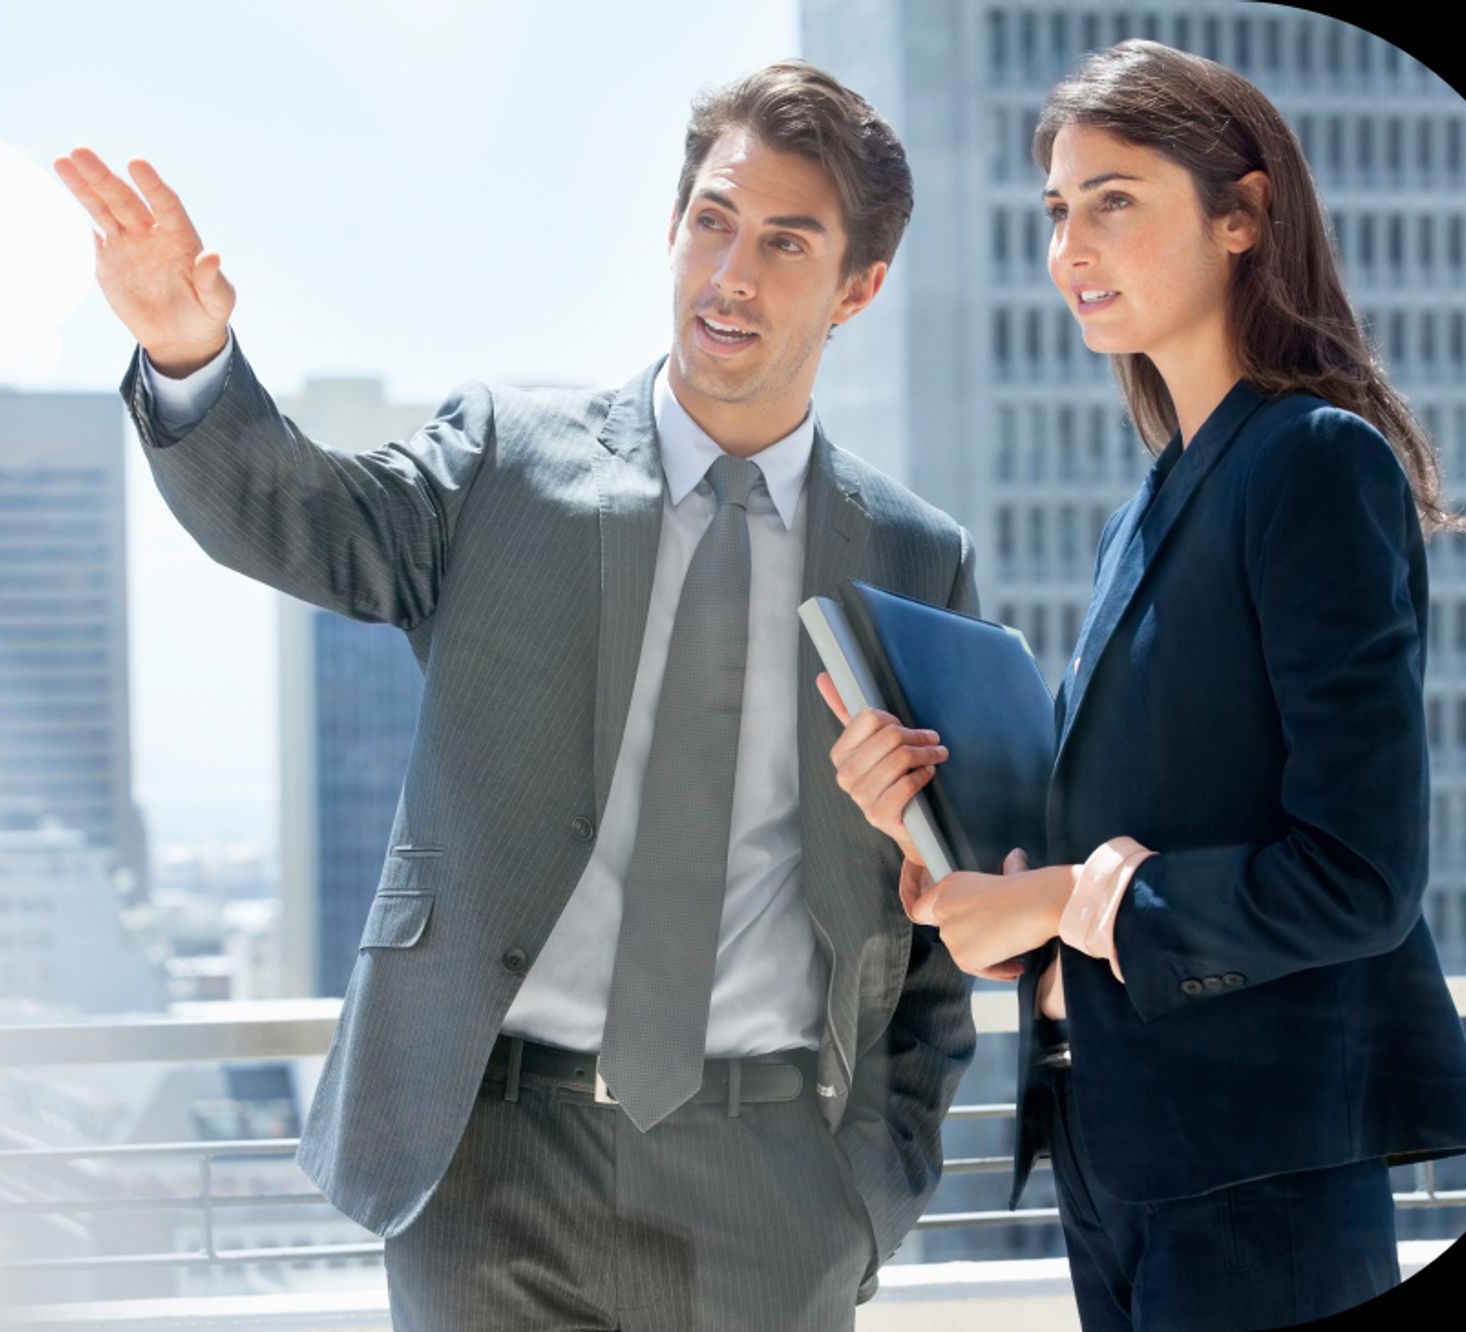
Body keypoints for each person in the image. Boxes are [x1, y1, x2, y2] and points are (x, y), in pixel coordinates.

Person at [56, 60, 981, 1331]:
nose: (730, 273)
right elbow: (304, 522)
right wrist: (184, 348)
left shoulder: (911, 560)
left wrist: (870, 1195)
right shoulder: (505, 462)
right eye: (711, 220)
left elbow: (940, 916)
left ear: (857, 287)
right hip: (490, 1176)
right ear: (671, 228)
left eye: (784, 241)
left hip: (775, 1187)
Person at [816, 38, 1466, 1332]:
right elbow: (1127, 846)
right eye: (1057, 211)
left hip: (1259, 1177)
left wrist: (1062, 895)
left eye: (1113, 201)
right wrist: (946, 853)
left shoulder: (1312, 463)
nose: (1070, 248)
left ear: (1243, 215)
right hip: (1116, 1145)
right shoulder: (1148, 507)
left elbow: (1360, 872)